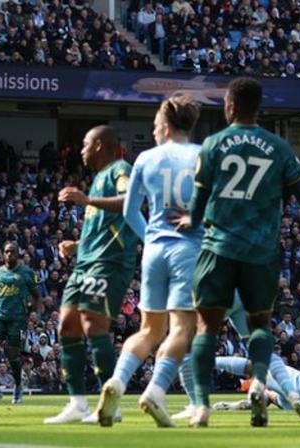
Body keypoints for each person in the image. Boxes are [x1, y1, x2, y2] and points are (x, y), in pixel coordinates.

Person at [173, 77, 300, 427]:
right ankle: (259, 381)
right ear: (258, 108)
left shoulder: (213, 144)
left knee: (206, 329)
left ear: (229, 106)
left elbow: (199, 202)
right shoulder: (278, 147)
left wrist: (190, 218)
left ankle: (201, 406)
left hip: (218, 250)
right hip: (260, 252)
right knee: (259, 326)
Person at [96, 95, 203, 427]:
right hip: (189, 250)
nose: (153, 130)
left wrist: (152, 239)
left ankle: (117, 381)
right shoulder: (203, 156)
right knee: (184, 328)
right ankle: (156, 390)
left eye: (155, 126)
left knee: (149, 329)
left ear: (167, 126)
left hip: (154, 250)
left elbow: (130, 212)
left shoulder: (145, 158)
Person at [44, 125, 138, 424]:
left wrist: (86, 200)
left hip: (109, 262)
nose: (81, 150)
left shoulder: (120, 169)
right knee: (67, 326)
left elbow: (130, 202)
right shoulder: (98, 179)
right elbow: (104, 228)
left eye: (84, 144)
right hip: (86, 259)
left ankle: (110, 404)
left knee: (94, 326)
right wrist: (77, 246)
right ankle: (77, 404)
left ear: (99, 145)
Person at [0, 242, 40, 405]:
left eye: (12, 252)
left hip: (17, 319)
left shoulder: (27, 273)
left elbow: (37, 296)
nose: (9, 254)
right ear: (2, 254)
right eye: (6, 252)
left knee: (12, 355)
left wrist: (34, 312)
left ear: (18, 254)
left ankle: (18, 388)